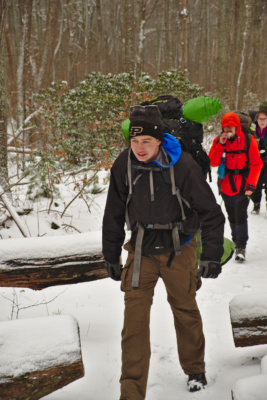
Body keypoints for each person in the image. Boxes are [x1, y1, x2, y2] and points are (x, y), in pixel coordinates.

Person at [102, 105, 225, 400]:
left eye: (146, 141)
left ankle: (195, 369)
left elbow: (211, 213)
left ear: (159, 140)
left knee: (185, 310)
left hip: (179, 248)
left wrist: (211, 254)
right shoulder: (124, 165)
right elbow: (113, 214)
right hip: (141, 249)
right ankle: (131, 393)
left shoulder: (182, 166)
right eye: (134, 141)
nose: (140, 148)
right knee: (134, 322)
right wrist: (110, 255)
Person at [209, 112, 263, 262]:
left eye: (231, 127)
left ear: (237, 126)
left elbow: (256, 164)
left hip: (243, 185)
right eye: (225, 127)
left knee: (240, 215)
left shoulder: (248, 140)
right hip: (226, 185)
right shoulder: (219, 140)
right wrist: (220, 144)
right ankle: (235, 241)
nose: (228, 129)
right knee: (231, 215)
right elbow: (213, 162)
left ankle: (241, 247)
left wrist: (252, 185)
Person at [250, 101, 267, 214]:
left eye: (264, 119)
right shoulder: (253, 131)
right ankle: (256, 204)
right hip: (256, 161)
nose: (262, 121)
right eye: (260, 119)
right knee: (256, 184)